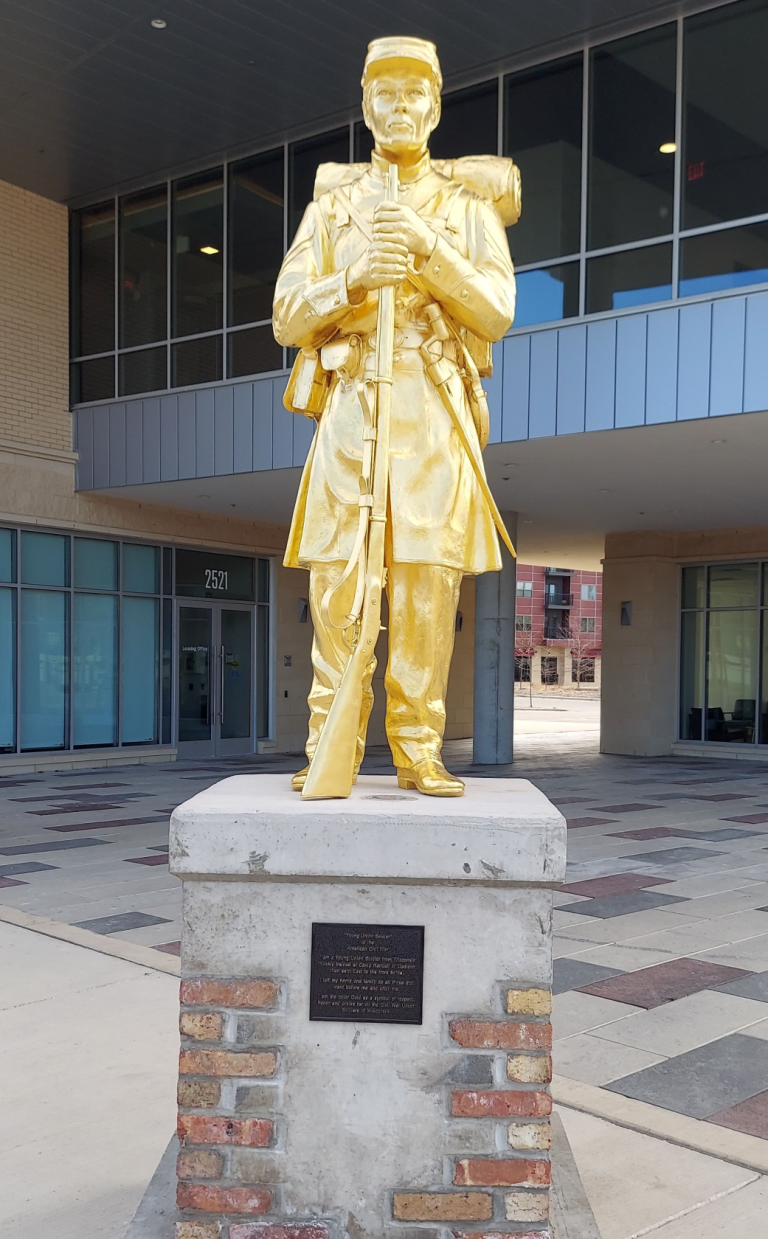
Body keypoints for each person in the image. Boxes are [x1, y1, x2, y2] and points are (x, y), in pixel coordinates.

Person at [273, 35, 516, 796]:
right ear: (367, 105)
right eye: (387, 92)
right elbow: (285, 315)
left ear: (435, 108)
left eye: (416, 94)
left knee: (425, 587)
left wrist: (428, 250)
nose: (401, 105)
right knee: (340, 585)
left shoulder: (465, 206)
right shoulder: (335, 203)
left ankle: (419, 748)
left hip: (431, 411)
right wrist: (349, 279)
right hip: (352, 408)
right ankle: (327, 748)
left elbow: (498, 308)